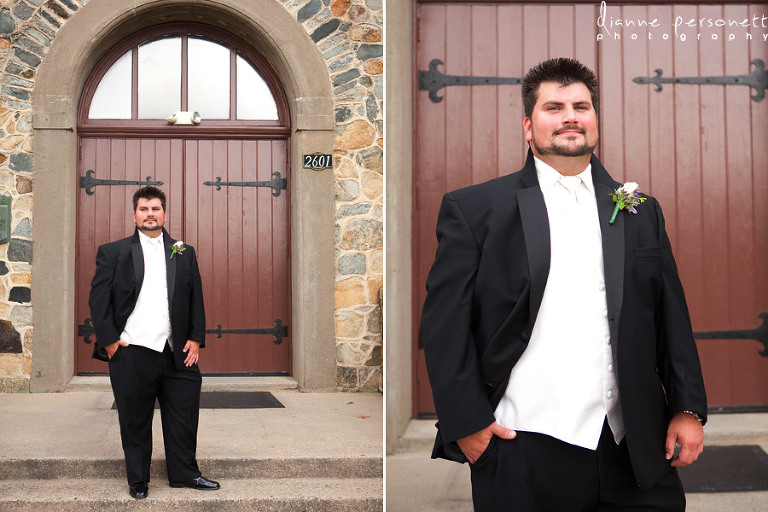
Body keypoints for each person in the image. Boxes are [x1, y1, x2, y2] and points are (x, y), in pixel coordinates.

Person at [420, 58, 707, 511]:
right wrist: (465, 423)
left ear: (595, 121)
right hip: (523, 446)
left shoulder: (640, 210)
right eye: (554, 107)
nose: (571, 115)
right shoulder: (474, 210)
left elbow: (671, 316)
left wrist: (688, 410)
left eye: (581, 106)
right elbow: (444, 328)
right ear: (528, 127)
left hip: (635, 447)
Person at [89, 186, 220, 499]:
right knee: (135, 419)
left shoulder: (183, 251)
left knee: (184, 416)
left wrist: (196, 338)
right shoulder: (114, 251)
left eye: (156, 209)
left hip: (176, 353)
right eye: (144, 209)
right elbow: (98, 301)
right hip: (131, 351)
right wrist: (109, 342)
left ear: (165, 213)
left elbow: (195, 298)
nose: (150, 214)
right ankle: (138, 480)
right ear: (135, 215)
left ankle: (185, 474)